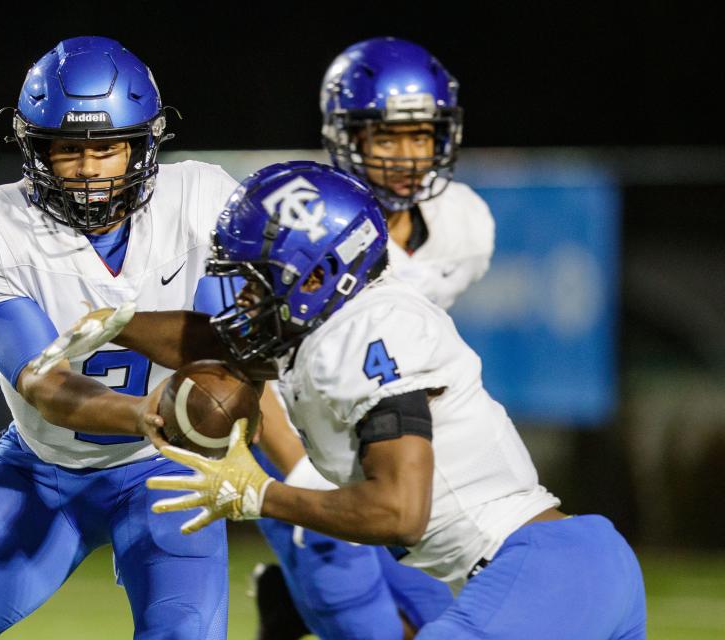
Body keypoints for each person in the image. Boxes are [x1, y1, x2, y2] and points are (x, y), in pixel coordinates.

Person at [94, 161, 646, 639]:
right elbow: (213, 339)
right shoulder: (328, 327)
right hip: (562, 573)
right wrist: (114, 322)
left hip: (543, 573)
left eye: (258, 282)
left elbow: (399, 512)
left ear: (316, 277)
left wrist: (259, 495)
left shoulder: (369, 329)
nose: (243, 298)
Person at [0, 36, 239, 640]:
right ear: (35, 150)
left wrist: (206, 397)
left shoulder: (200, 199)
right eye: (68, 149)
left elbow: (215, 351)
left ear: (144, 145)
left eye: (108, 147)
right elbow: (45, 382)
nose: (89, 169)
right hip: (43, 467)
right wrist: (151, 411)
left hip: (166, 473)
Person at [244, 37, 494, 639]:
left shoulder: (466, 224)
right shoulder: (298, 221)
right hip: (293, 427)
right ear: (345, 137)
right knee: (364, 624)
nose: (406, 157)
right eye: (386, 137)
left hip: (382, 429)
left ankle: (285, 605)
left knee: (441, 618)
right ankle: (300, 597)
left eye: (421, 136)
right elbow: (250, 368)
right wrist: (299, 471)